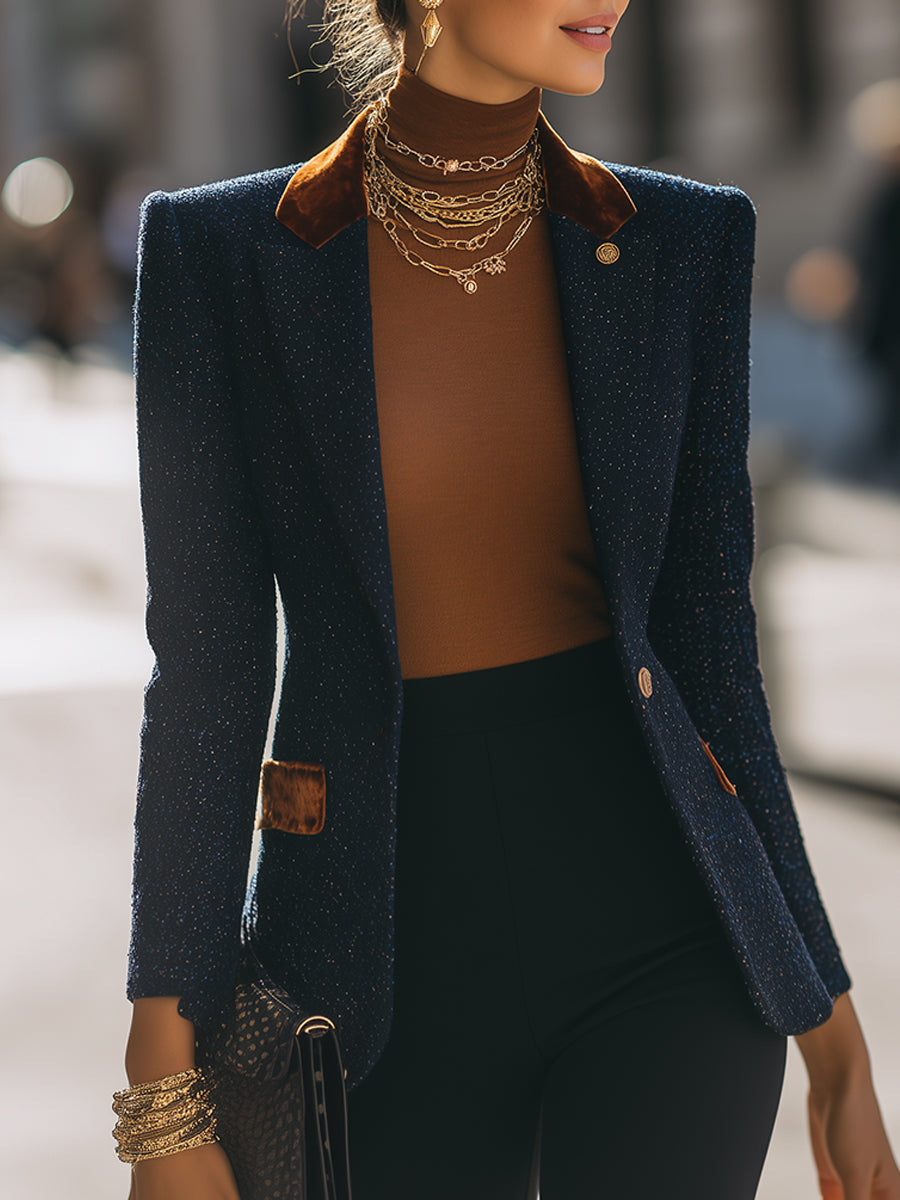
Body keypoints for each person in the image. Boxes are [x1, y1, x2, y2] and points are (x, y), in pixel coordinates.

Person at [116, 2, 900, 1197]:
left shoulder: (684, 242)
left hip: (672, 941)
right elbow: (210, 673)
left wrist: (832, 1039)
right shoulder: (225, 259)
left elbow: (712, 663)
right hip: (367, 970)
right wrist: (165, 1095)